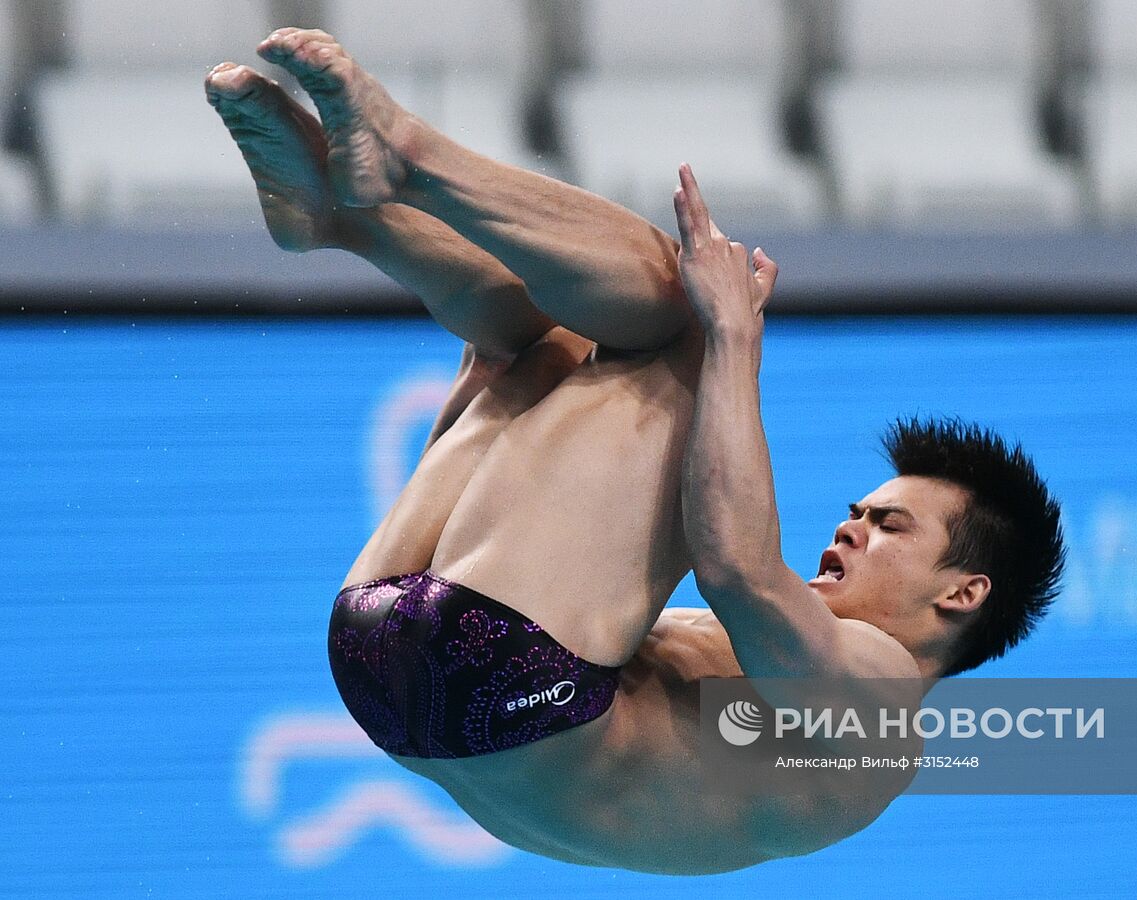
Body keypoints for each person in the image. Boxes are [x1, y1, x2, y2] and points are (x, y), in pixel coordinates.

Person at [207, 28, 1066, 875]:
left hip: (483, 679)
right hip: (401, 669)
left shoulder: (882, 712)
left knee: (680, 311)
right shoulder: (755, 667)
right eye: (856, 512)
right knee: (539, 348)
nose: (847, 529)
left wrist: (733, 333)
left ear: (965, 592)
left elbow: (737, 568)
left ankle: (402, 164)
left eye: (888, 526)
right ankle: (342, 217)